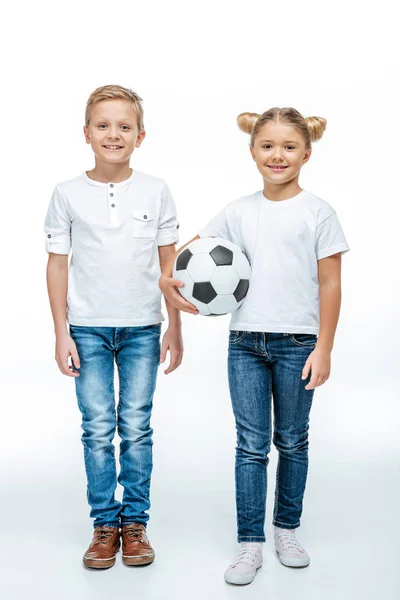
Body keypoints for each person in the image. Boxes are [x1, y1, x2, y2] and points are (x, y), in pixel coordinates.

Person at [160, 107, 350, 585]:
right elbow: (191, 256)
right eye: (267, 146)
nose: (277, 155)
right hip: (245, 343)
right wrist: (172, 285)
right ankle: (250, 543)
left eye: (289, 146)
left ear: (307, 153)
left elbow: (330, 285)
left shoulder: (319, 212)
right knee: (250, 445)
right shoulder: (238, 211)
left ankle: (286, 529)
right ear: (252, 152)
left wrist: (323, 347)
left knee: (292, 440)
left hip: (297, 342)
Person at [44, 84, 183, 569]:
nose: (113, 134)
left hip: (144, 328)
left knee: (137, 428)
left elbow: (171, 266)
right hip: (87, 330)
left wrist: (176, 328)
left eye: (125, 126)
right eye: (103, 125)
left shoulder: (156, 189)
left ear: (141, 135)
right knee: (98, 429)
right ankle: (105, 524)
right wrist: (61, 331)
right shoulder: (66, 194)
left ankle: (135, 524)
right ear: (86, 133)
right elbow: (58, 265)